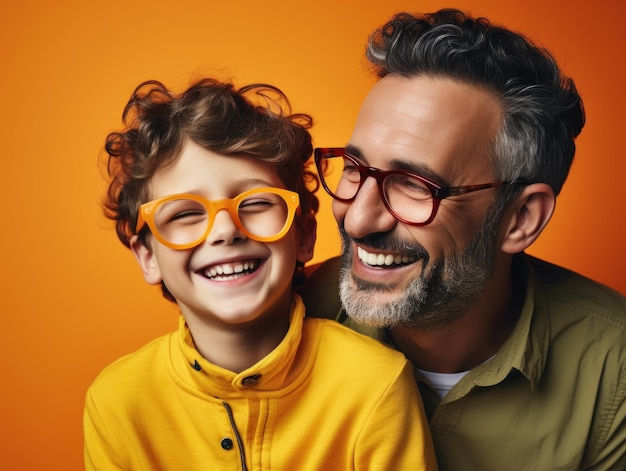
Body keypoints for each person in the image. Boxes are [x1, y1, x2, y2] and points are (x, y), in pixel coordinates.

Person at [301, 8, 626, 471]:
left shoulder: (614, 371)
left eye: (414, 184)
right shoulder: (285, 317)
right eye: (355, 170)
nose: (357, 220)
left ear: (520, 218)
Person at [83, 77, 437, 470]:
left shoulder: (376, 383)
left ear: (304, 234)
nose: (225, 231)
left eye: (254, 203)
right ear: (147, 256)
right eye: (184, 213)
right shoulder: (118, 402)